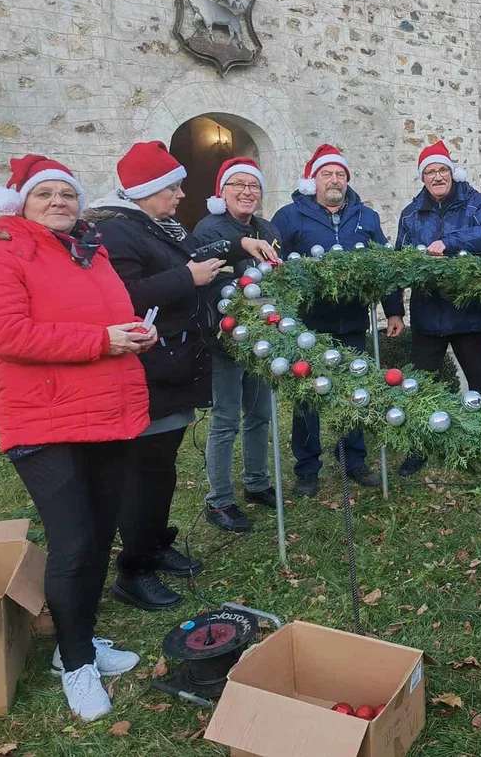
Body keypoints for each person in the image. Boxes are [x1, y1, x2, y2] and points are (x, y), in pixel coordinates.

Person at [0, 155, 151, 720]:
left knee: (96, 538)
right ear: (20, 202)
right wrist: (102, 340)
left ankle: (82, 639)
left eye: (67, 194)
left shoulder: (89, 253)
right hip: (44, 422)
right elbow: (4, 333)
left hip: (106, 414)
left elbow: (106, 321)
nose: (58, 203)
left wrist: (133, 334)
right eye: (45, 194)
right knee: (72, 543)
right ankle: (74, 664)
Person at [93, 141, 275, 611]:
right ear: (147, 191)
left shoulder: (160, 227)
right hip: (148, 369)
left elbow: (195, 254)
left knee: (162, 470)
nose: (179, 194)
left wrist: (239, 243)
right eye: (172, 187)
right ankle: (133, 570)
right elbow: (123, 297)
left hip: (172, 366)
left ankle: (155, 543)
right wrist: (186, 281)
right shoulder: (118, 235)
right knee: (143, 473)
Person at [271, 144, 405, 498]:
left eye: (340, 175)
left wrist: (394, 310)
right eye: (326, 174)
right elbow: (274, 269)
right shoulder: (288, 217)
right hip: (306, 327)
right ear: (312, 180)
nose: (334, 180)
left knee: (355, 392)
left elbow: (384, 268)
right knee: (307, 397)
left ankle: (354, 459)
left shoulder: (366, 217)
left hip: (352, 323)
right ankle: (307, 467)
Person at [395, 141, 481, 475]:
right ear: (423, 178)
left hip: (470, 314)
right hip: (428, 316)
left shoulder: (475, 203)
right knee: (419, 387)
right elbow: (398, 264)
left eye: (442, 170)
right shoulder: (412, 213)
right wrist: (394, 310)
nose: (437, 176)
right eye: (430, 172)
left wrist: (451, 243)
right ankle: (420, 446)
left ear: (452, 172)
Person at [192, 157, 281, 532]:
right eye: (238, 185)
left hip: (262, 339)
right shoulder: (209, 227)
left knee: (260, 414)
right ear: (222, 192)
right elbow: (210, 258)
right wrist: (241, 246)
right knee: (226, 418)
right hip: (224, 339)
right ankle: (219, 501)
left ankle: (257, 482)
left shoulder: (268, 228)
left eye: (254, 186)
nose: (247, 192)